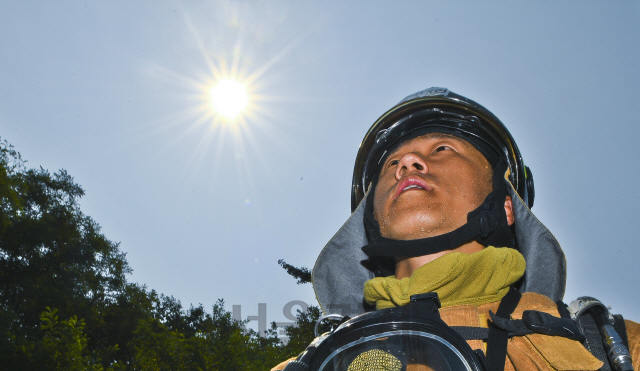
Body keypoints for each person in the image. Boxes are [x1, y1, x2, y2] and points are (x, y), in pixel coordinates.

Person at [273, 87, 640, 371]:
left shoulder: (612, 346)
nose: (408, 163)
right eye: (393, 163)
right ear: (371, 222)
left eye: (442, 148)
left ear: (505, 205)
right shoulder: (312, 362)